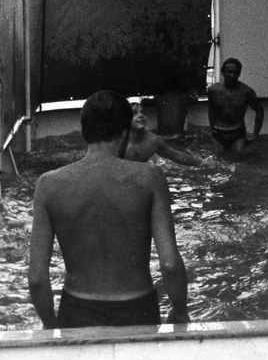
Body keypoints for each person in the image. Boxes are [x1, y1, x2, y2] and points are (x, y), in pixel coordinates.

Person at [28, 90, 190, 329]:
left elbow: (37, 279)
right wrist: (180, 312)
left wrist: (51, 325)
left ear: (84, 130)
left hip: (77, 310)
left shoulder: (48, 184)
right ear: (125, 132)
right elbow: (170, 265)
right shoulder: (150, 177)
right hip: (138, 309)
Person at [207, 58, 264, 153]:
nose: (232, 75)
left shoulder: (246, 91)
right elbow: (211, 109)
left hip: (238, 133)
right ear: (223, 72)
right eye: (229, 72)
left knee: (239, 158)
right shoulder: (213, 90)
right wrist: (212, 129)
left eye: (235, 72)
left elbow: (259, 110)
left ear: (239, 73)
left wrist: (255, 134)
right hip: (218, 132)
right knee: (217, 159)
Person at [124, 101, 204, 166]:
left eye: (142, 112)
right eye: (134, 113)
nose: (141, 115)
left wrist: (203, 163)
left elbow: (177, 156)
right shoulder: (119, 140)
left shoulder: (153, 141)